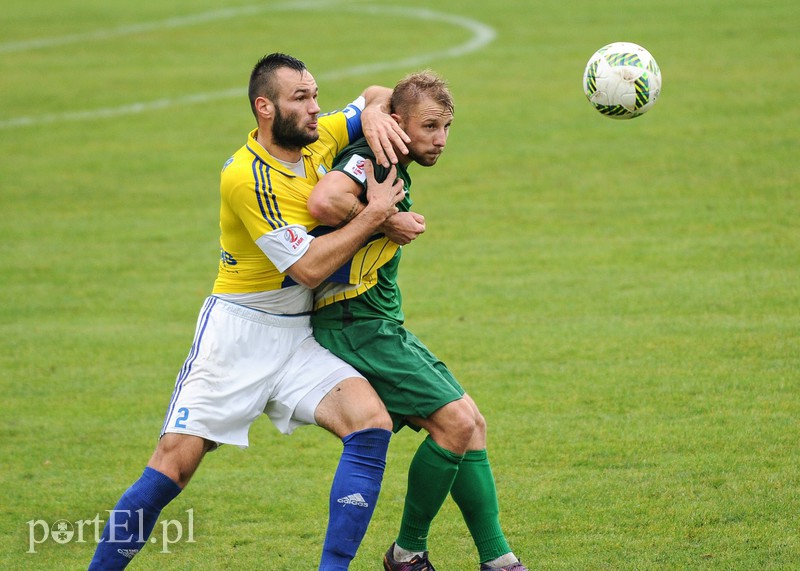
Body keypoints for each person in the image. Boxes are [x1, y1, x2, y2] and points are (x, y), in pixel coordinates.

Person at [88, 52, 411, 570]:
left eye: (315, 95)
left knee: (370, 423)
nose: (315, 108)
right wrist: (374, 216)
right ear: (265, 108)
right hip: (237, 336)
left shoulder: (318, 136)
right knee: (175, 465)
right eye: (301, 99)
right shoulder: (246, 177)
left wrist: (373, 110)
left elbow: (378, 93)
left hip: (297, 336)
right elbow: (308, 269)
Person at [308, 71, 527, 571]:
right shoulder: (374, 158)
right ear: (399, 123)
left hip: (379, 324)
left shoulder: (388, 147)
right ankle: (407, 554)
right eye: (430, 126)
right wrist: (387, 218)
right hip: (355, 326)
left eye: (448, 127)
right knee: (455, 423)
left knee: (473, 424)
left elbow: (376, 92)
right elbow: (323, 201)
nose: (441, 140)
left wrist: (378, 105)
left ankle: (499, 559)